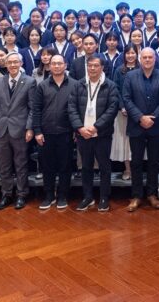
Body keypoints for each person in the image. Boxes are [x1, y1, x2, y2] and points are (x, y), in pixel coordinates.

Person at [68, 55, 120, 212]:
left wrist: (96, 127)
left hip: (102, 134)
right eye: (89, 65)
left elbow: (112, 109)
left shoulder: (110, 86)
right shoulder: (78, 85)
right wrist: (80, 128)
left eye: (96, 65)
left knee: (104, 166)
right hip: (83, 134)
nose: (92, 68)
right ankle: (88, 197)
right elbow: (71, 108)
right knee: (86, 167)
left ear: (102, 67)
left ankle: (104, 197)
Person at [122, 48, 159, 212]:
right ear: (140, 59)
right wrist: (140, 117)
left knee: (153, 162)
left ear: (155, 59)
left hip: (156, 126)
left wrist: (153, 118)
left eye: (150, 57)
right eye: (145, 57)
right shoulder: (130, 76)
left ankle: (152, 194)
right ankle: (136, 196)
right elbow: (126, 99)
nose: (148, 59)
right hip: (136, 125)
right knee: (136, 162)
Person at [29, 54, 80, 210]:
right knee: (47, 167)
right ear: (49, 66)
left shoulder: (75, 85)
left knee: (65, 166)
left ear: (65, 65)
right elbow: (36, 110)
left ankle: (63, 196)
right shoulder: (42, 86)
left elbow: (79, 109)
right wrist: (37, 131)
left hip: (67, 133)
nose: (57, 66)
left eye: (60, 63)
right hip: (46, 133)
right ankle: (49, 195)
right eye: (54, 64)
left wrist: (76, 129)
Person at [0, 52, 35, 210]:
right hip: (2, 129)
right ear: (6, 65)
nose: (13, 65)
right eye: (10, 62)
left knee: (21, 164)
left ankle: (21, 194)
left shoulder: (30, 81)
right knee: (4, 165)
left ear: (21, 64)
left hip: (20, 129)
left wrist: (29, 128)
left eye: (16, 62)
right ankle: (6, 194)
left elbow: (32, 108)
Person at [111, 44, 140, 180]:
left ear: (137, 54)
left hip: (139, 112)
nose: (130, 55)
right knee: (125, 142)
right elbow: (115, 89)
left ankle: (137, 169)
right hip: (122, 112)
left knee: (137, 142)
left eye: (133, 53)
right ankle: (127, 169)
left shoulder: (141, 69)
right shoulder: (119, 70)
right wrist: (122, 106)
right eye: (128, 53)